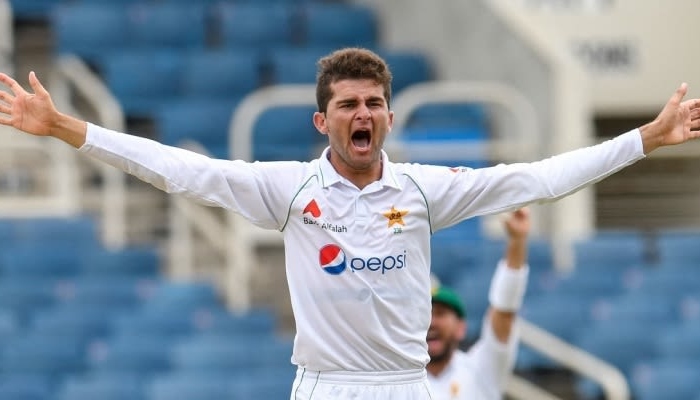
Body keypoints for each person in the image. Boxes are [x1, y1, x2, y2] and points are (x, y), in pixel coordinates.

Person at [0, 47, 698, 399]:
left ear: (390, 116)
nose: (361, 114)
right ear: (321, 119)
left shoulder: (424, 191)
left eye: (373, 103)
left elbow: (541, 179)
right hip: (326, 386)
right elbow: (180, 170)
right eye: (347, 105)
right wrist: (66, 127)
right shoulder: (290, 189)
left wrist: (646, 138)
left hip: (405, 384)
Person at [427, 207, 531, 400]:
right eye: (424, 314)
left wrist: (517, 242)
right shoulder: (397, 378)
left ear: (461, 328)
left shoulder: (481, 369)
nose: (431, 322)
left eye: (440, 314)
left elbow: (505, 311)